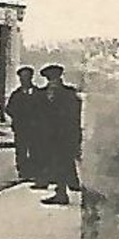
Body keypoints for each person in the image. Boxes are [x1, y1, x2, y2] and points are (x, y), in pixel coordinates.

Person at [37, 64, 83, 205]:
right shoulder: (46, 93)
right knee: (59, 162)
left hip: (63, 133)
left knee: (61, 162)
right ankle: (64, 188)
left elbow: (74, 115)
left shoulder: (68, 94)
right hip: (54, 134)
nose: (53, 82)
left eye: (54, 79)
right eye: (51, 79)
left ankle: (61, 193)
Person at [4, 66, 43, 183]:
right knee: (21, 149)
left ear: (31, 78)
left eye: (26, 77)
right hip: (21, 127)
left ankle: (34, 171)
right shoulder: (16, 95)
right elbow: (9, 109)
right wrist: (17, 117)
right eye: (22, 78)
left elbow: (42, 109)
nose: (24, 80)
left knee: (34, 149)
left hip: (35, 127)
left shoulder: (38, 93)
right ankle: (23, 171)